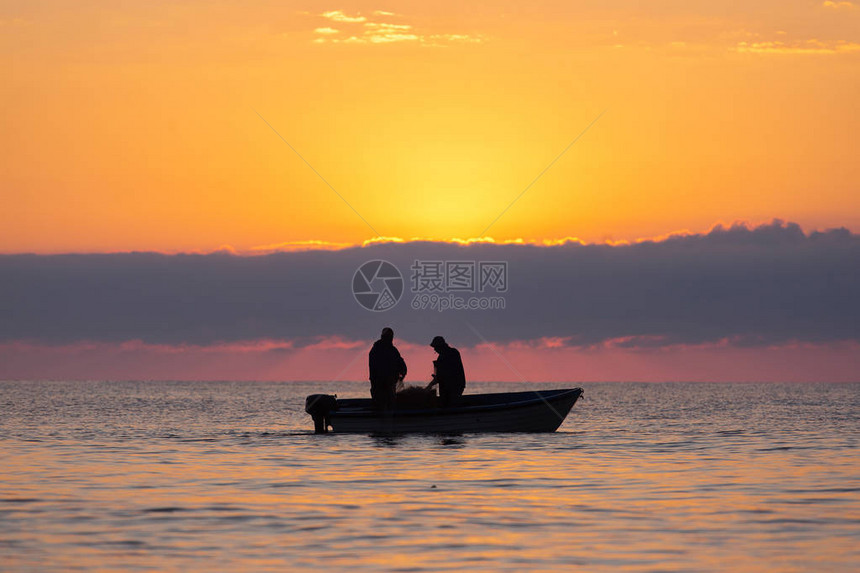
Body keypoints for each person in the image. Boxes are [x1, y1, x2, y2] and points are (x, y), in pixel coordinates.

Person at [368, 327, 407, 410]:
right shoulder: (376, 350)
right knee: (381, 405)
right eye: (387, 337)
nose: (389, 339)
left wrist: (403, 372)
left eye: (389, 337)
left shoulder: (393, 350)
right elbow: (375, 369)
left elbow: (401, 363)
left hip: (389, 384)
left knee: (388, 404)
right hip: (379, 385)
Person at [425, 336, 466, 407]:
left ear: (440, 346)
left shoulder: (452, 353)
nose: (435, 349)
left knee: (451, 405)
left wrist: (431, 384)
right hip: (446, 386)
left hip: (455, 386)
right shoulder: (442, 356)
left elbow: (449, 372)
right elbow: (440, 375)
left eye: (435, 347)